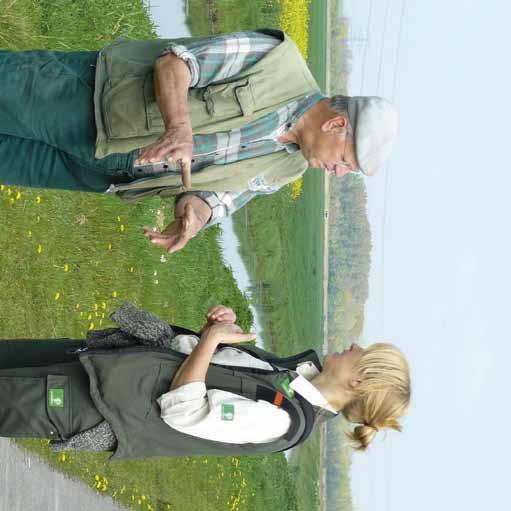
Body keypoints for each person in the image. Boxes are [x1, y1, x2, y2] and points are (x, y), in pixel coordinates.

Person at [0, 29, 398, 253]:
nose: (340, 173)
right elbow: (176, 63)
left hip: (108, 173)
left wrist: (194, 217)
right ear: (336, 125)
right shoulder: (277, 60)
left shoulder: (290, 168)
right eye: (347, 161)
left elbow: (221, 197)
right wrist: (179, 127)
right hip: (88, 102)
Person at [0, 303, 410, 458]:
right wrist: (213, 331)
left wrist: (211, 340)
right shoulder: (288, 378)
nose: (355, 345)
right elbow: (201, 366)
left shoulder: (283, 421)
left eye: (364, 353)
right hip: (103, 368)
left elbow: (184, 411)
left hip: (98, 405)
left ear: (358, 383)